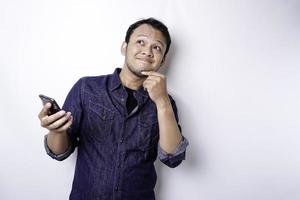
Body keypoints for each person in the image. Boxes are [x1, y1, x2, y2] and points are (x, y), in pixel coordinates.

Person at [38, 17, 189, 200]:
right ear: (124, 47)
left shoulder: (166, 102)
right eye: (140, 42)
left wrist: (162, 102)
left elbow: (173, 158)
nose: (147, 51)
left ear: (163, 59)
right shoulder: (86, 88)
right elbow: (59, 152)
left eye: (156, 47)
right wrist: (56, 131)